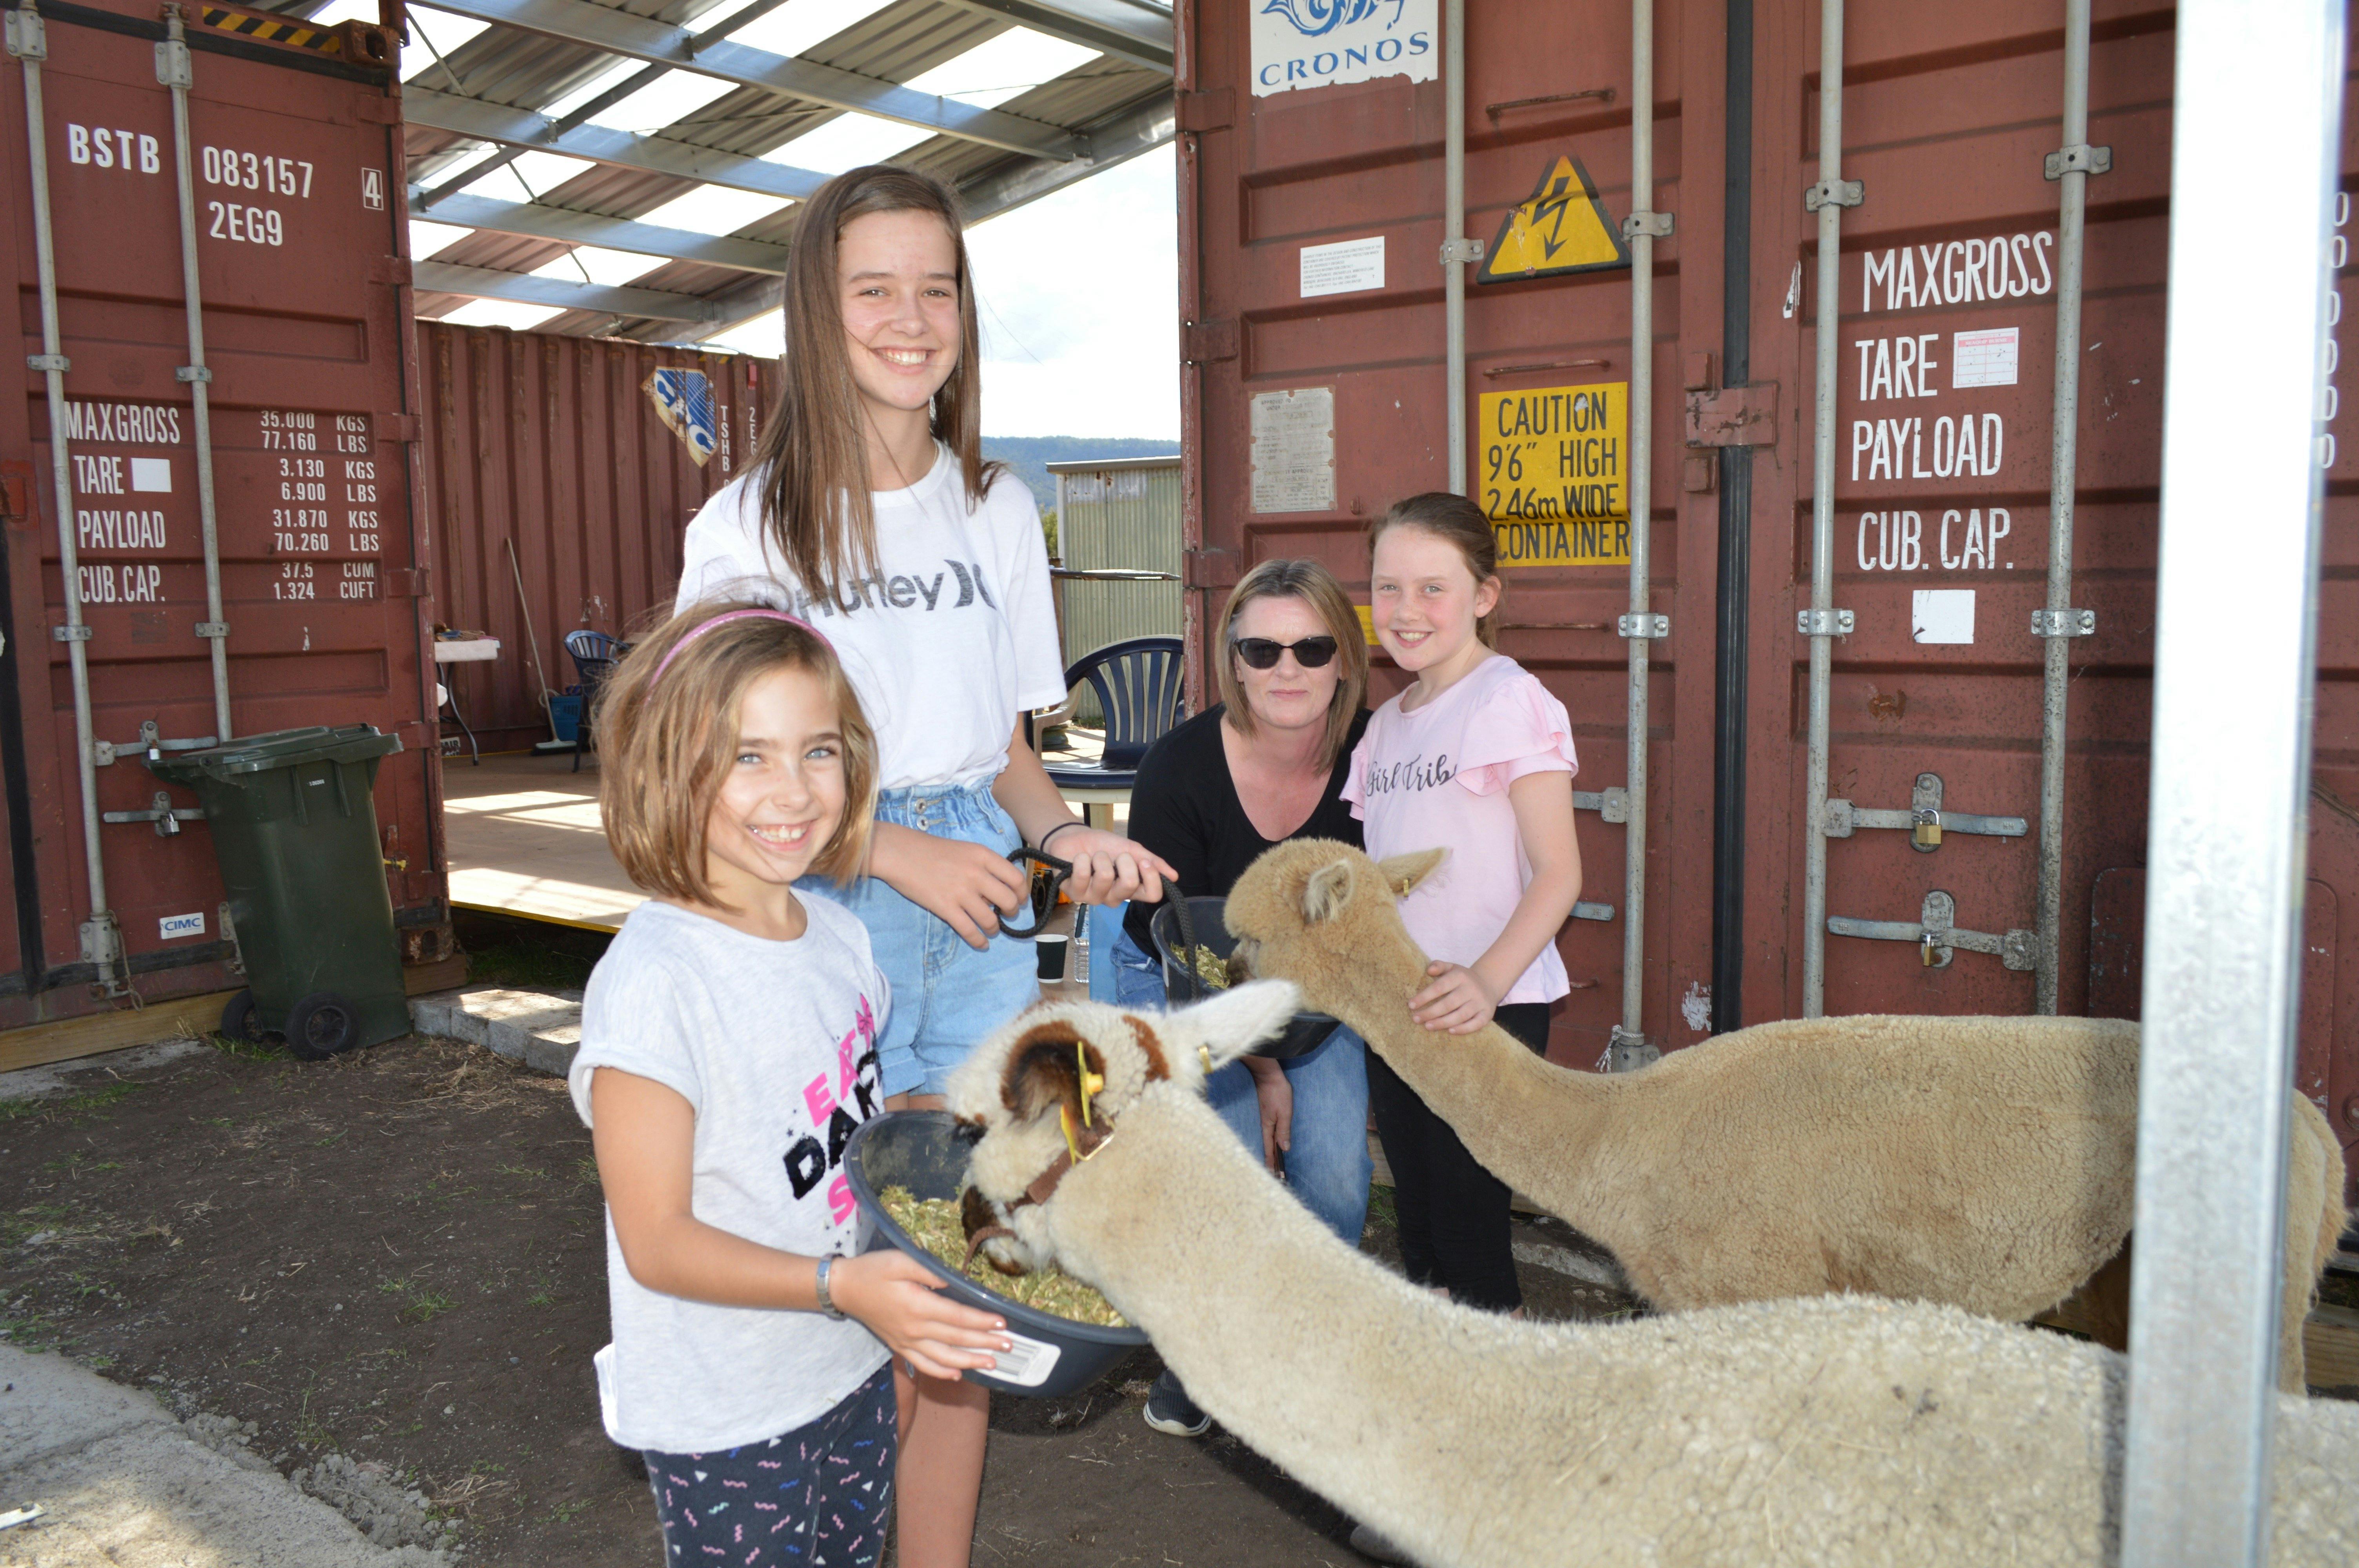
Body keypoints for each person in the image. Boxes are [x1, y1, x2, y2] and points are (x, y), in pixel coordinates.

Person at [671, 165, 1174, 1568]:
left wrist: (1063, 833)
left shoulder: (995, 506)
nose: (910, 318)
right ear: (814, 316)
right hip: (824, 892)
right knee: (852, 1276)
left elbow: (1015, 749)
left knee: (965, 1278)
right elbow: (715, 771)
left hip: (979, 901)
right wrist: (889, 850)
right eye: (873, 289)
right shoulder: (745, 527)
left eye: (935, 288)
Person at [569, 604, 1015, 1568]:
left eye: (819, 750)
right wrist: (837, 1284)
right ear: (664, 770)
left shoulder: (841, 938)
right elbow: (657, 1242)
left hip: (847, 1366)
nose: (794, 790)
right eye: (746, 757)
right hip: (731, 1407)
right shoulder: (657, 985)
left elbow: (854, 1128)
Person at [1107, 558, 1375, 1439]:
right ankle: (1204, 1357)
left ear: (1344, 657)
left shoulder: (1374, 759)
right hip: (1181, 977)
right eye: (1262, 648)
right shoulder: (1179, 767)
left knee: (1334, 1182)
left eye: (1311, 646)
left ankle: (1301, 1346)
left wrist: (1290, 1051)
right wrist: (1262, 1069)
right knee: (1218, 1179)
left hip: (1313, 989)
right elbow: (1176, 942)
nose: (1286, 668)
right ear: (1232, 658)